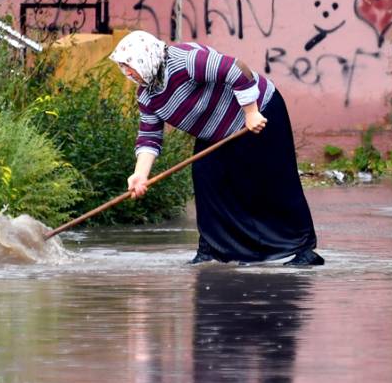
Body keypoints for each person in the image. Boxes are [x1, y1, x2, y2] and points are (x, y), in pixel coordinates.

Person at [109, 30, 324, 266]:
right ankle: (212, 249)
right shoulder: (148, 96)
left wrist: (251, 112)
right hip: (215, 132)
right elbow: (150, 136)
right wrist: (140, 175)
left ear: (145, 57)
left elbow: (236, 69)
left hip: (258, 112)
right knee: (207, 179)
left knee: (273, 180)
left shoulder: (184, 61)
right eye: (123, 67)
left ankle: (303, 249)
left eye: (129, 65)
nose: (127, 73)